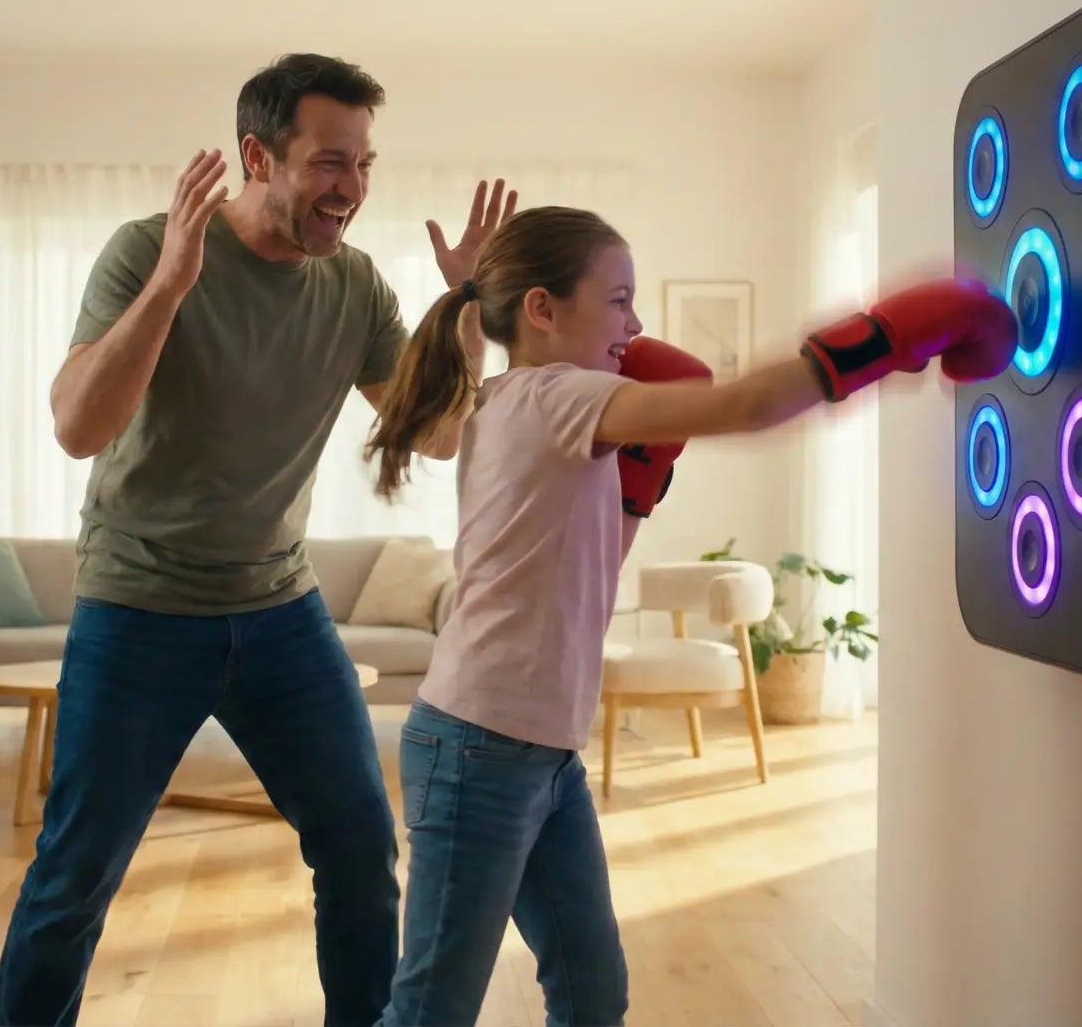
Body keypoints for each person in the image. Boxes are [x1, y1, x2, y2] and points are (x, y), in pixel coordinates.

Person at [361, 206, 1018, 1025]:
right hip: (482, 749)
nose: (635, 325)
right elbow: (746, 406)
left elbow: (593, 567)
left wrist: (638, 484)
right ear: (542, 309)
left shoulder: (511, 403)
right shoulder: (558, 396)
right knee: (431, 1010)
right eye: (619, 300)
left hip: (538, 747)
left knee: (592, 996)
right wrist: (894, 333)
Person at [0, 52, 516, 1027]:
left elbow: (440, 436)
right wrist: (169, 286)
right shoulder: (148, 250)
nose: (351, 188)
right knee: (74, 877)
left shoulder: (353, 285)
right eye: (329, 162)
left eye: (363, 164)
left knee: (359, 850)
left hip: (280, 613)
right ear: (258, 157)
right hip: (138, 608)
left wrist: (467, 316)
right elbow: (76, 426)